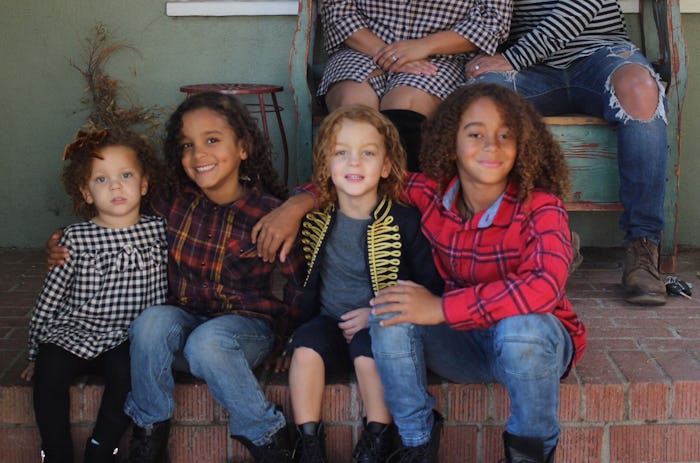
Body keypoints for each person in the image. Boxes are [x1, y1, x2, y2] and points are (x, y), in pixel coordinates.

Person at [252, 84, 588, 462]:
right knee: (392, 310)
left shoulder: (542, 208)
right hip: (460, 345)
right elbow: (357, 180)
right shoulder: (431, 194)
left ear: (524, 144)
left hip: (533, 347)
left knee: (521, 328)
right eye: (475, 133)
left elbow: (543, 287)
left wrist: (442, 308)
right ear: (451, 142)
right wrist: (296, 204)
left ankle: (530, 451)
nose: (490, 145)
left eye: (505, 135)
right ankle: (416, 442)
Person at [47, 93, 307, 463]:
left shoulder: (269, 215)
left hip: (242, 332)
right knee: (152, 321)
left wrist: (290, 340)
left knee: (208, 343)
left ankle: (270, 436)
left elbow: (299, 283)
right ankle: (150, 431)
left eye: (212, 140)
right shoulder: (172, 202)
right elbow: (112, 218)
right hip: (183, 325)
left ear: (244, 147)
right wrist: (60, 242)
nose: (198, 154)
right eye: (187, 145)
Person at [466, 0, 669, 306]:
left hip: (599, 56)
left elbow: (581, 6)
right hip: (527, 69)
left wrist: (514, 56)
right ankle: (529, 243)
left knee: (640, 88)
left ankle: (643, 248)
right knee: (484, 101)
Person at [283, 106, 443, 463]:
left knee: (370, 354)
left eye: (367, 153)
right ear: (326, 165)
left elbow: (427, 284)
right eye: (341, 152)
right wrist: (289, 334)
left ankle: (377, 436)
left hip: (379, 325)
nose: (354, 163)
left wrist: (373, 312)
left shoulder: (404, 221)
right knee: (306, 348)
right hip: (327, 321)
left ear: (386, 166)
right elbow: (301, 284)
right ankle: (308, 442)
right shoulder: (315, 220)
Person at [22, 128, 168, 463]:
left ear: (144, 185)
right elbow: (50, 297)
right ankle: (55, 450)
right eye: (101, 180)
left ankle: (103, 447)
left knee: (128, 374)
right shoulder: (75, 239)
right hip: (76, 332)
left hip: (127, 337)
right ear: (86, 193)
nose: (115, 186)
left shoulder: (161, 231)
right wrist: (34, 351)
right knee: (50, 370)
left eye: (126, 175)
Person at [319, 0, 512, 171]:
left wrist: (425, 46)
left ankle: (400, 203)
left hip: (440, 56)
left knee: (405, 104)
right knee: (355, 105)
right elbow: (336, 8)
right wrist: (388, 54)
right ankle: (345, 203)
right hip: (363, 48)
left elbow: (492, 21)